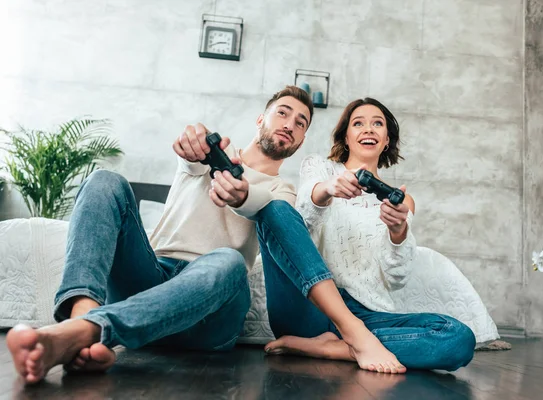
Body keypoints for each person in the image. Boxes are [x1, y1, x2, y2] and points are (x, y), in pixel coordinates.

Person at [5, 86, 314, 384]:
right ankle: (81, 328)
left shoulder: (283, 192)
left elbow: (264, 209)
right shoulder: (215, 151)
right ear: (261, 119)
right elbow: (192, 159)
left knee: (230, 261)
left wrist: (241, 197)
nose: (289, 124)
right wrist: (191, 143)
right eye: (283, 113)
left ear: (301, 140)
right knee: (104, 181)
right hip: (151, 279)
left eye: (301, 123)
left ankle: (91, 329)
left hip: (211, 313)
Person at [255, 98, 477, 372]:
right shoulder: (320, 169)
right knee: (275, 208)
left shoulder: (401, 201)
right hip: (310, 307)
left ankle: (335, 347)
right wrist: (327, 190)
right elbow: (301, 224)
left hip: (366, 314)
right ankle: (353, 337)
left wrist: (398, 232)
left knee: (457, 338)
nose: (368, 129)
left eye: (377, 124)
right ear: (346, 137)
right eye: (358, 123)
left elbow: (397, 278)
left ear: (386, 140)